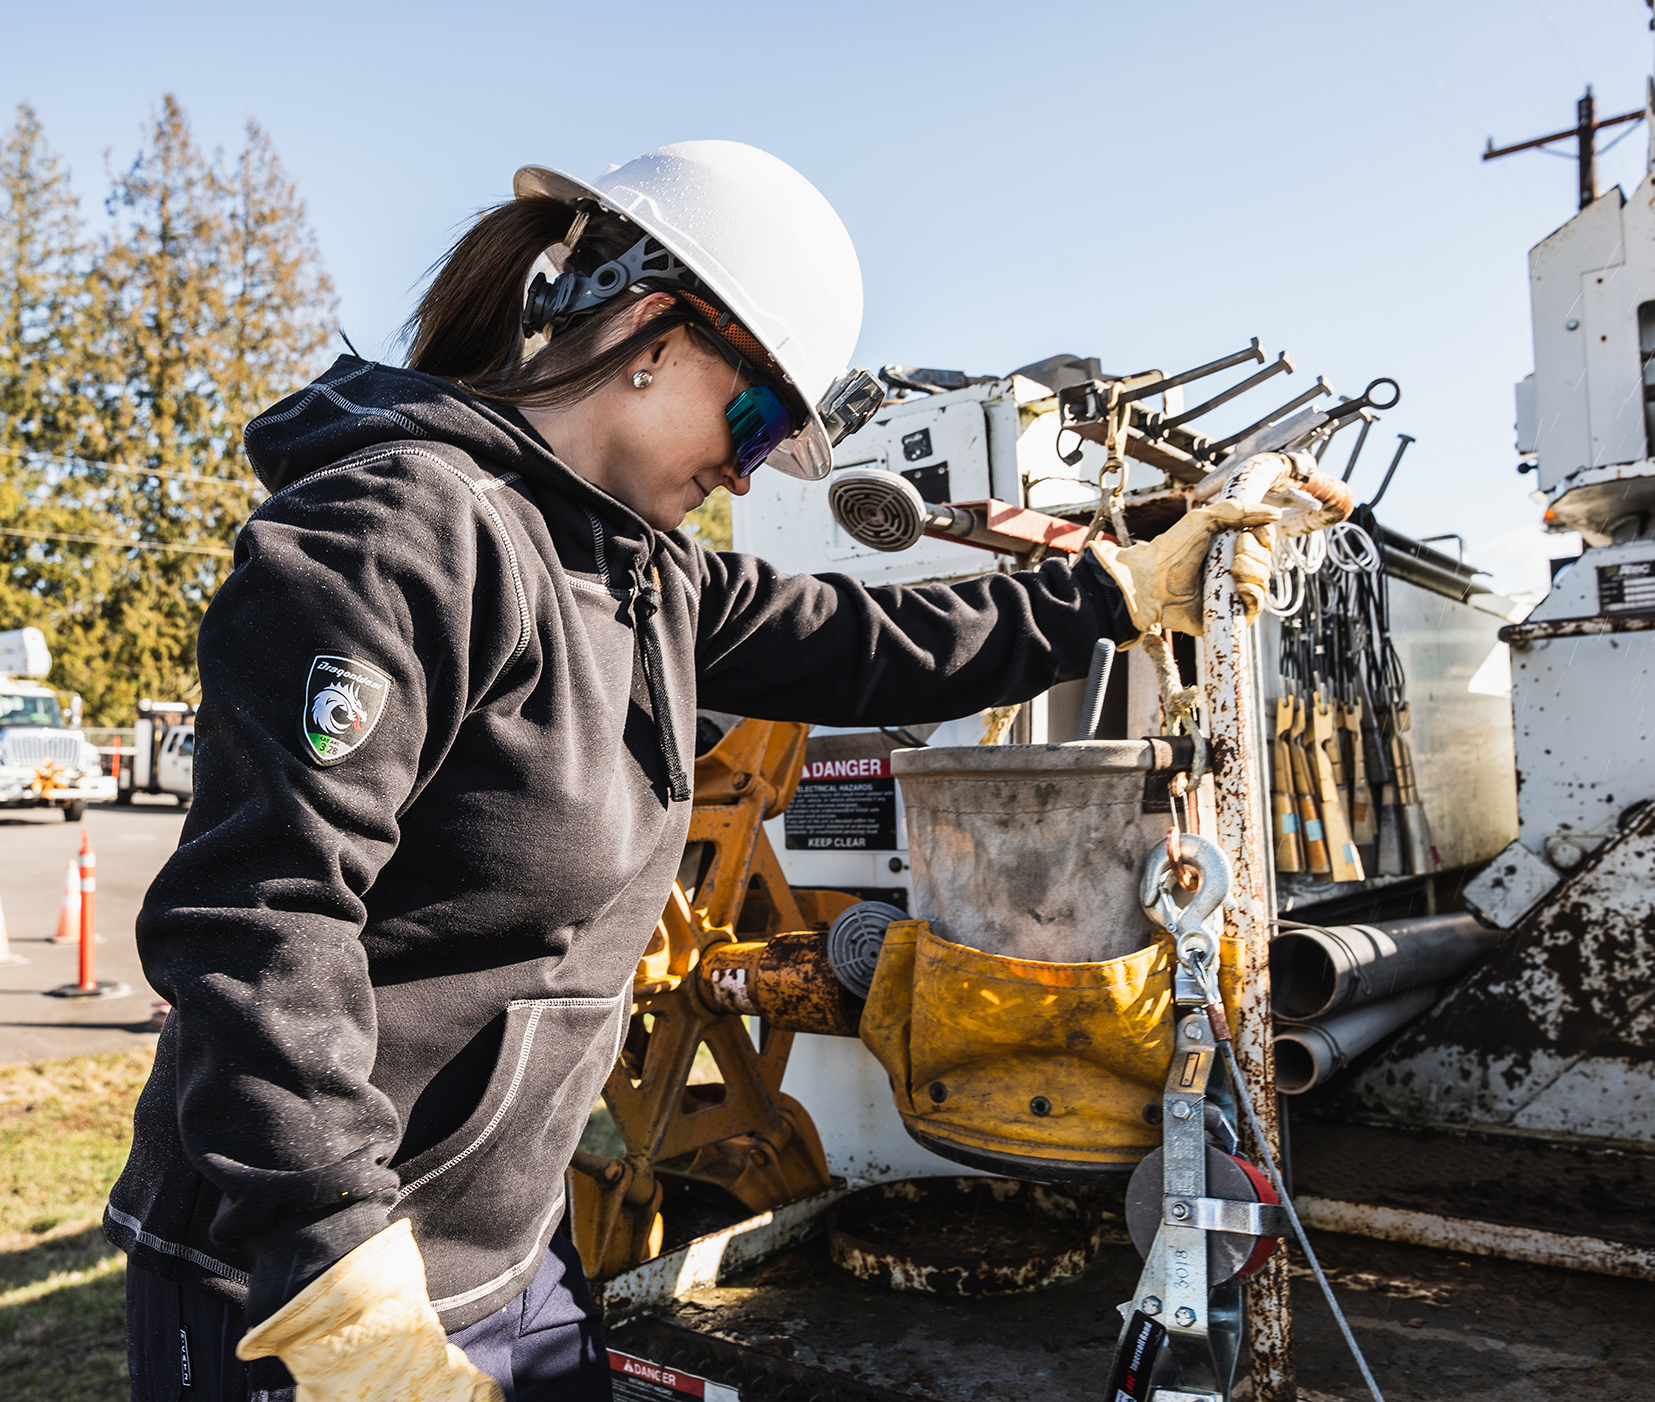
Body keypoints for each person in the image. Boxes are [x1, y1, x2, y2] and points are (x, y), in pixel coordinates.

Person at [106, 140, 1273, 1402]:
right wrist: (336, 1279)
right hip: (302, 1291)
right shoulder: (394, 533)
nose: (753, 464)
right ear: (652, 331)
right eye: (760, 413)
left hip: (497, 1257)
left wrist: (1112, 588)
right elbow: (259, 923)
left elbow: (869, 644)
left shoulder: (640, 568)